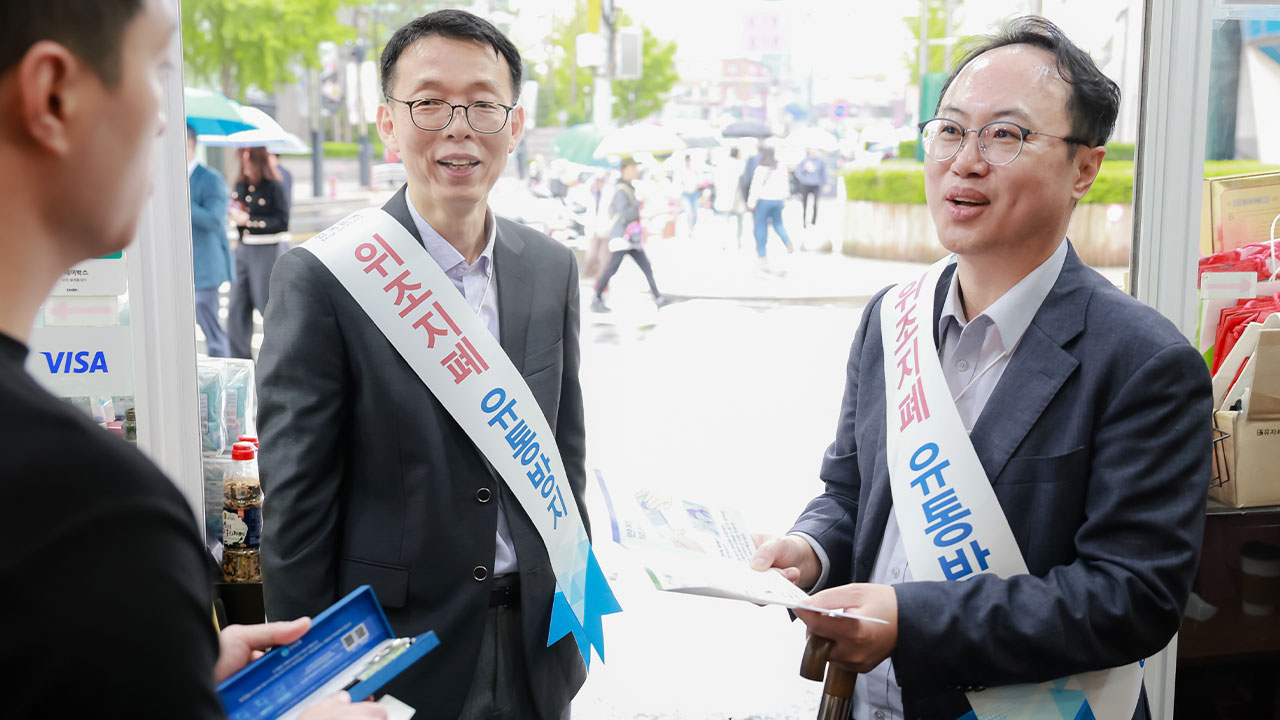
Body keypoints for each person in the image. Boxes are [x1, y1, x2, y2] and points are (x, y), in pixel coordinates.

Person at [751, 17, 1211, 720]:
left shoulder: (1144, 362)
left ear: (1085, 167)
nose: (965, 161)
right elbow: (849, 489)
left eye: (1006, 135)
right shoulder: (890, 317)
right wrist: (810, 548)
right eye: (951, 130)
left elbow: (1131, 597)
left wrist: (912, 619)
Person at [0, 1, 383, 718]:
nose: (161, 122)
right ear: (52, 95)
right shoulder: (91, 508)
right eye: (154, 71)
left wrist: (168, 673)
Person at [257, 9, 593, 720]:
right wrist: (315, 682)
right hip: (394, 656)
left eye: (482, 102)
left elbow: (565, 456)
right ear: (387, 122)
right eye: (430, 102)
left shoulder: (551, 267)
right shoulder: (327, 276)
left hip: (538, 645)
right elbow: (297, 505)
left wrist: (574, 622)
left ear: (516, 122)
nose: (458, 125)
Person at [227, 145, 290, 359]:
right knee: (236, 309)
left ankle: (279, 359)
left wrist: (251, 221)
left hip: (265, 249)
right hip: (243, 248)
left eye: (248, 160)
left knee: (266, 306)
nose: (245, 165)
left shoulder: (274, 186)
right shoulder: (241, 185)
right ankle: (241, 363)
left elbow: (282, 222)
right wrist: (236, 215)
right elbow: (236, 209)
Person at [591, 159, 670, 312]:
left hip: (631, 238)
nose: (636, 171)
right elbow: (624, 213)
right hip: (623, 238)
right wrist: (638, 203)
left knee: (646, 267)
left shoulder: (628, 188)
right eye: (633, 168)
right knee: (612, 269)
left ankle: (658, 297)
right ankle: (597, 297)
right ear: (625, 169)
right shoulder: (622, 189)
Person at [187, 123, 234, 357]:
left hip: (206, 266)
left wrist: (184, 200)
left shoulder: (211, 179)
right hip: (183, 267)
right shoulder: (170, 178)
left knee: (212, 331)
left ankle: (221, 382)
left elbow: (215, 219)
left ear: (189, 143)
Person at [746, 146, 794, 259]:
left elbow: (755, 187)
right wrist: (784, 199)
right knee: (778, 224)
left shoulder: (761, 168)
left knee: (761, 226)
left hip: (764, 200)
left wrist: (751, 202)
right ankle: (787, 241)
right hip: (777, 200)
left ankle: (761, 251)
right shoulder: (781, 167)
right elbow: (785, 185)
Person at [712, 147, 749, 249]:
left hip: (726, 196)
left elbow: (716, 181)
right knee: (739, 221)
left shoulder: (722, 164)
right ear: (737, 154)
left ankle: (724, 242)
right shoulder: (741, 164)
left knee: (726, 220)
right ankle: (738, 241)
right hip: (738, 196)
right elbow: (745, 181)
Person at [792, 148, 827, 228]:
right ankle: (804, 221)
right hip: (806, 184)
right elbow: (798, 171)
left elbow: (823, 173)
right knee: (804, 203)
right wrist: (805, 169)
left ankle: (813, 221)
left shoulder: (820, 161)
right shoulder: (805, 161)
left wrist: (825, 183)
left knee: (815, 203)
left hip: (816, 184)